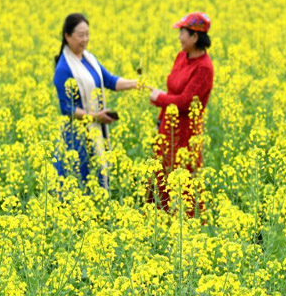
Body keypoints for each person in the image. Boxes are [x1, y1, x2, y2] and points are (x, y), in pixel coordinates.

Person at [53, 13, 138, 191]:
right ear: (67, 36)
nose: (85, 39)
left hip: (95, 129)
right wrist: (94, 117)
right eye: (80, 35)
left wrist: (135, 84)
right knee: (79, 181)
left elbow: (109, 80)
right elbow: (66, 108)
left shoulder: (88, 59)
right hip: (76, 136)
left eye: (87, 34)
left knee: (97, 178)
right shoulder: (63, 68)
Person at [148, 12, 214, 218]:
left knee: (184, 178)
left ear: (194, 37)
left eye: (182, 33)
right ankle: (157, 222)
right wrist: (161, 106)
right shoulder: (181, 57)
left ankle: (189, 225)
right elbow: (174, 91)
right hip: (167, 126)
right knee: (160, 175)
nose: (179, 37)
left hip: (186, 132)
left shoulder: (204, 68)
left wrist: (160, 98)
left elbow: (186, 102)